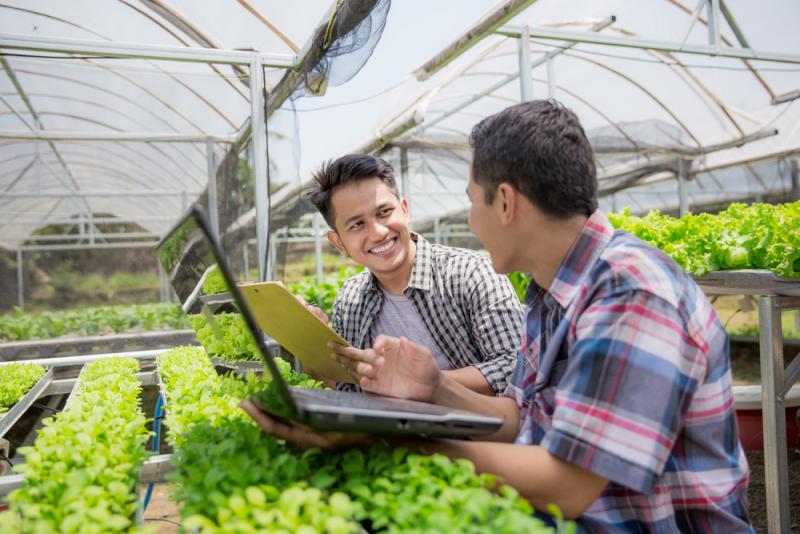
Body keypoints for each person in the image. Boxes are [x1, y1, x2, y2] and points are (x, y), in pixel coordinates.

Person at [242, 100, 752, 532]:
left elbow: (567, 484)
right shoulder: (550, 294)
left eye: (471, 202)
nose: (469, 221)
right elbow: (522, 418)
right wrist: (435, 389)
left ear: (505, 202)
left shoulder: (632, 292)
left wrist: (386, 442)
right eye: (357, 224)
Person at [298, 154, 524, 396]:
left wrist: (421, 382)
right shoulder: (351, 299)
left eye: (384, 212)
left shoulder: (470, 272)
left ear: (404, 210)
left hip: (476, 432)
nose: (378, 232)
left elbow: (515, 365)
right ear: (339, 242)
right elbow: (348, 389)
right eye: (357, 225)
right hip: (390, 434)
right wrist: (313, 346)